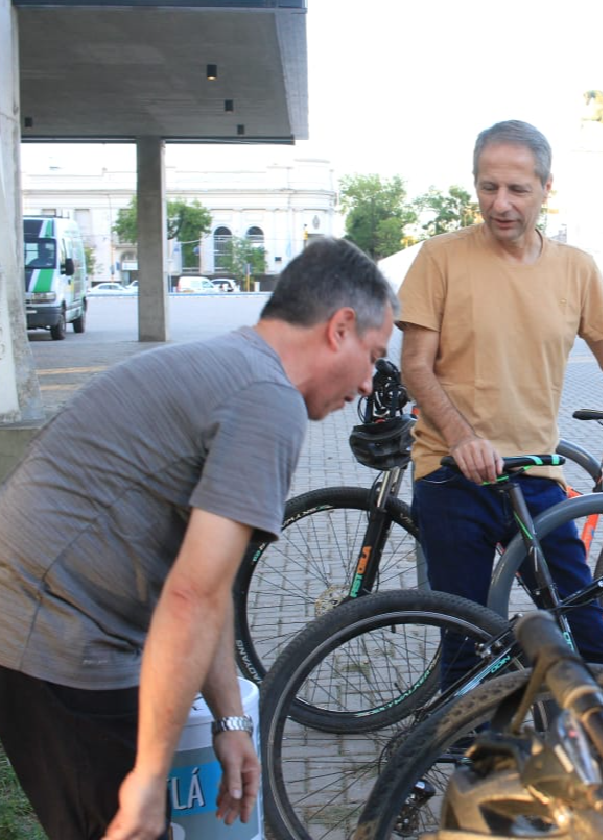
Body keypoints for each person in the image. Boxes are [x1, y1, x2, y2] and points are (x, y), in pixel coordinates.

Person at [0, 239, 396, 840]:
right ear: (340, 328)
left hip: (47, 620)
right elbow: (191, 599)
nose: (370, 383)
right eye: (373, 355)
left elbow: (203, 584)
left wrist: (230, 720)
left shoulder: (236, 367)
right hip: (56, 636)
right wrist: (148, 778)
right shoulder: (268, 401)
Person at [398, 119, 603, 680]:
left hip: (536, 476)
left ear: (546, 188)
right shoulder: (439, 258)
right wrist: (464, 437)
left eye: (517, 190)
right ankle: (459, 749)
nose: (501, 204)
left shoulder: (576, 269)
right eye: (488, 187)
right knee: (465, 639)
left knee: (583, 623)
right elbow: (416, 366)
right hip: (451, 473)